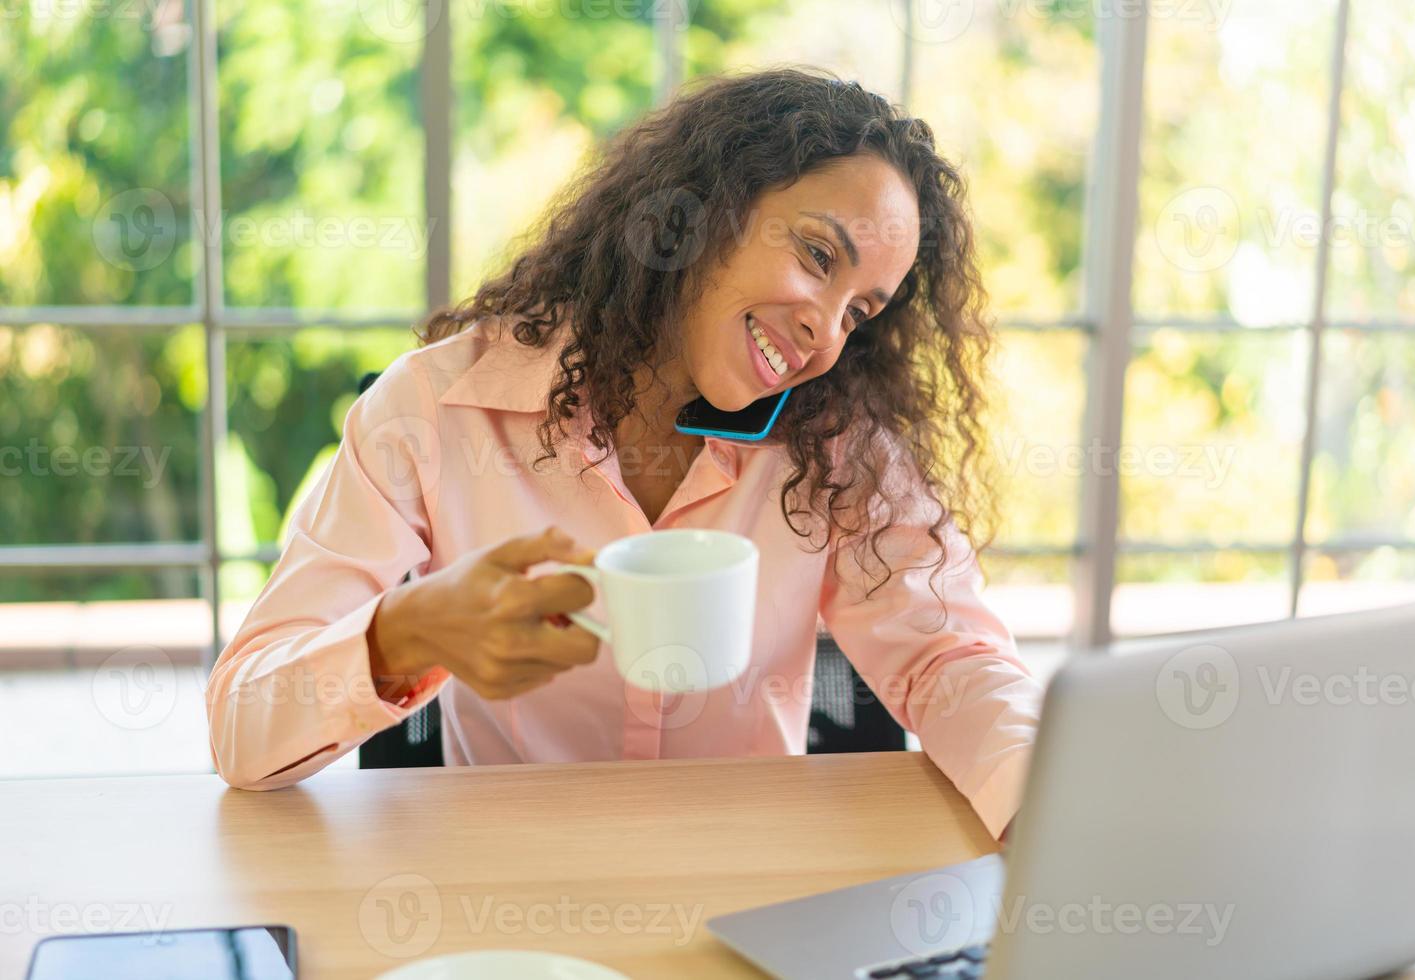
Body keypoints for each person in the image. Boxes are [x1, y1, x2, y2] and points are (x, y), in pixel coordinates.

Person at [206, 67, 1044, 842]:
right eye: (817, 256)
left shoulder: (837, 448)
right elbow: (243, 727)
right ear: (704, 212)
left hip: (749, 883)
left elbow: (952, 663)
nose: (825, 330)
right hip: (509, 896)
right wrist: (399, 636)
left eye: (859, 311)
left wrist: (1060, 821)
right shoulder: (433, 409)